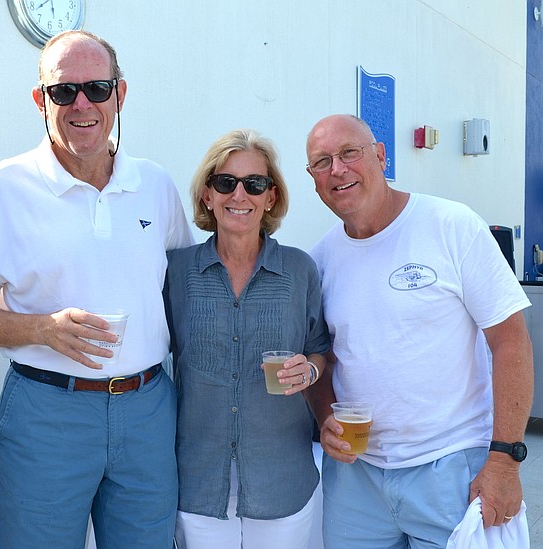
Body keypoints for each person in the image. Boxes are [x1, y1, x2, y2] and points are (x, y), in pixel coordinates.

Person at [0, 30, 193, 549]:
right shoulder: (1, 188)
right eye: (64, 91)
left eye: (97, 88)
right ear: (41, 101)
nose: (82, 103)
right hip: (47, 412)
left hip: (148, 409)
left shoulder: (156, 185)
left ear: (120, 94)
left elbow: (185, 289)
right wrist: (41, 329)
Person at [305, 114, 533, 548]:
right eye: (321, 161)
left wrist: (505, 460)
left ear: (380, 155)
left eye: (349, 153)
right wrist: (325, 417)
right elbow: (325, 357)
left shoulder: (451, 225)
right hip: (357, 479)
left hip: (452, 470)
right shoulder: (320, 259)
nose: (337, 169)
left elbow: (509, 342)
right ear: (313, 178)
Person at [164, 129, 330, 548]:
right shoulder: (175, 272)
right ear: (207, 194)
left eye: (254, 184)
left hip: (282, 479)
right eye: (226, 182)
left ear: (270, 197)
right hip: (198, 479)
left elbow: (320, 349)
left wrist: (309, 370)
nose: (240, 195)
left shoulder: (299, 270)